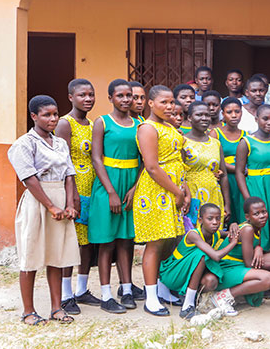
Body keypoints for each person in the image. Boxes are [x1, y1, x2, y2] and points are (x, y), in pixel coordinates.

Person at [9, 95, 81, 325]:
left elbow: (69, 175)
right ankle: (28, 311)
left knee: (57, 256)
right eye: (46, 115)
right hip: (38, 201)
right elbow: (29, 178)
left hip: (60, 197)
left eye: (55, 114)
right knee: (31, 255)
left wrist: (69, 204)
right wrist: (50, 206)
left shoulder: (59, 143)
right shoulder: (24, 144)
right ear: (33, 116)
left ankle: (56, 308)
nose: (52, 119)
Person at [133, 85, 189, 317]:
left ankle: (164, 289)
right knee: (155, 244)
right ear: (151, 103)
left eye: (171, 102)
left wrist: (183, 189)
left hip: (174, 188)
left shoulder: (169, 126)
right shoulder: (148, 128)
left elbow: (178, 159)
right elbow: (153, 167)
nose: (169, 106)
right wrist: (177, 192)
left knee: (170, 240)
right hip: (156, 191)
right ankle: (152, 297)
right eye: (164, 102)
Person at [89, 79, 140, 313]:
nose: (126, 99)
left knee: (125, 240)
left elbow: (143, 161)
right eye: (120, 95)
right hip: (108, 184)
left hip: (131, 184)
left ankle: (127, 289)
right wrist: (111, 192)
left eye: (129, 95)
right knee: (107, 242)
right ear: (110, 98)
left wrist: (134, 188)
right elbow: (97, 158)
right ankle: (106, 295)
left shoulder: (139, 124)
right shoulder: (102, 122)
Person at [54, 78, 97, 314]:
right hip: (74, 188)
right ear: (71, 97)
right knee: (71, 242)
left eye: (91, 94)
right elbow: (63, 162)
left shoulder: (92, 124)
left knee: (87, 242)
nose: (88, 99)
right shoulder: (65, 124)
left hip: (92, 188)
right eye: (82, 95)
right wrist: (72, 197)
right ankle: (65, 293)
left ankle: (82, 289)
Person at [159, 203, 239, 319]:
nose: (215, 222)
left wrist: (234, 225)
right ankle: (187, 306)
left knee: (211, 280)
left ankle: (192, 296)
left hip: (186, 274)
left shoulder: (216, 233)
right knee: (201, 255)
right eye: (210, 219)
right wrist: (233, 243)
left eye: (218, 219)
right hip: (172, 274)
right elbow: (216, 256)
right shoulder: (194, 234)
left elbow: (231, 234)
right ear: (200, 220)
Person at [236, 104, 270, 250]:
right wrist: (247, 197)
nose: (269, 123)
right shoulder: (246, 142)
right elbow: (239, 172)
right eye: (265, 119)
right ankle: (258, 255)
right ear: (256, 119)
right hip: (257, 187)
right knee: (259, 221)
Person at [216, 196, 270, 309]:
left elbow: (254, 247)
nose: (262, 216)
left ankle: (244, 291)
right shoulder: (248, 229)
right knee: (269, 279)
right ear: (248, 217)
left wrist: (258, 249)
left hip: (238, 263)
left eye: (264, 212)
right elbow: (250, 264)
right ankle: (224, 296)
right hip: (227, 268)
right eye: (256, 214)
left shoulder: (256, 226)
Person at [183, 102, 231, 226]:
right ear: (189, 118)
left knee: (213, 234)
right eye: (199, 115)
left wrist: (227, 204)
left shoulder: (216, 143)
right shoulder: (182, 142)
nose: (204, 118)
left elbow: (224, 175)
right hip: (191, 195)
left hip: (213, 193)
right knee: (192, 233)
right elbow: (179, 173)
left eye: (207, 115)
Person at [214, 97, 246, 225]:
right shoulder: (215, 134)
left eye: (237, 112)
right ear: (223, 114)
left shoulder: (246, 135)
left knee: (241, 211)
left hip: (242, 179)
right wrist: (237, 169)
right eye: (229, 112)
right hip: (225, 178)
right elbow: (215, 160)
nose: (234, 115)